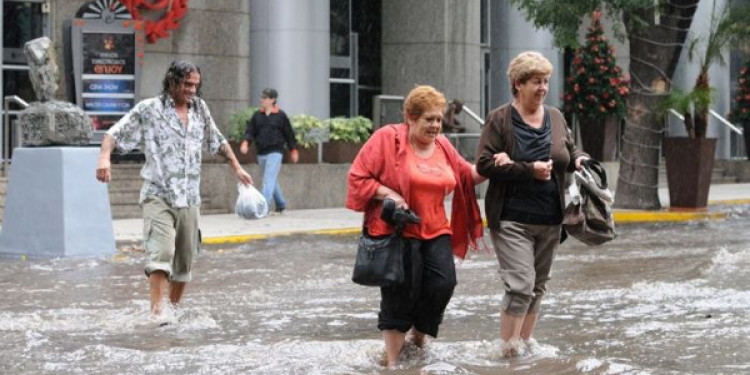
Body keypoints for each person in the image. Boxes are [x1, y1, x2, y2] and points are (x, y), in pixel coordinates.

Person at [95, 59, 253, 318]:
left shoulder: (200, 109)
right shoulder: (149, 109)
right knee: (162, 252)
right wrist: (104, 158)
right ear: (172, 81)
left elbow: (217, 139)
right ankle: (158, 315)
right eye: (187, 84)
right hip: (158, 194)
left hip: (190, 198)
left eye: (195, 85)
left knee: (184, 260)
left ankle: (173, 310)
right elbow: (113, 133)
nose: (192, 89)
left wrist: (237, 168)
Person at [347, 85, 486, 368]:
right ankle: (393, 362)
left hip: (436, 230)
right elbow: (357, 177)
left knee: (443, 284)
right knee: (401, 293)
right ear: (410, 117)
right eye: (429, 120)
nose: (436, 125)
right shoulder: (387, 139)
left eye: (438, 119)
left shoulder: (444, 145)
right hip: (398, 232)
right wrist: (390, 194)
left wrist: (495, 165)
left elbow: (465, 175)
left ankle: (418, 339)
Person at [475, 51, 588, 356]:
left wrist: (579, 159)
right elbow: (484, 164)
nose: (542, 88)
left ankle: (523, 346)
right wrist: (526, 169)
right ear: (518, 84)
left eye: (546, 82)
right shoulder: (499, 119)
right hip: (512, 218)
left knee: (538, 285)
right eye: (536, 82)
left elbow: (570, 148)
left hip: (551, 218)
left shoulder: (555, 116)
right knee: (521, 285)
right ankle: (507, 350)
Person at [239, 88, 298, 214]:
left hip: (276, 151)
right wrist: (246, 143)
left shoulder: (281, 116)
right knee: (271, 179)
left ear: (272, 100)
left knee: (268, 179)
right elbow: (250, 131)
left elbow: (289, 133)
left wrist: (293, 150)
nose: (262, 100)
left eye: (265, 98)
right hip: (261, 152)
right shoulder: (257, 116)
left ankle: (262, 208)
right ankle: (281, 205)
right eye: (262, 97)